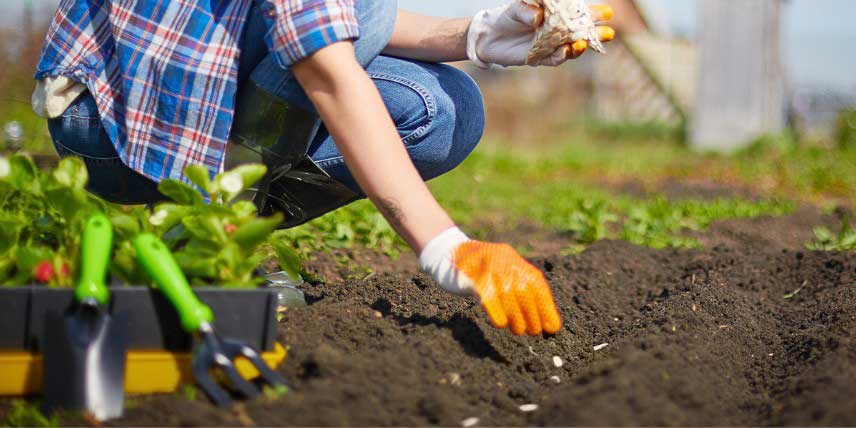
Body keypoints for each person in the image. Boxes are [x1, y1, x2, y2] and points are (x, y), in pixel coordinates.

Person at [32, 0, 615, 336]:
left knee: (446, 110)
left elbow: (341, 21)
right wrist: (446, 247)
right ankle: (210, 231)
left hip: (195, 95)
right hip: (111, 120)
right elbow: (326, 69)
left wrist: (478, 36)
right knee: (391, 90)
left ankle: (219, 210)